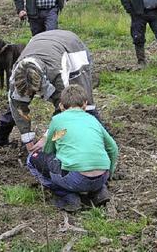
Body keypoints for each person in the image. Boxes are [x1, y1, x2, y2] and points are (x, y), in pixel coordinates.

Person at [0, 30, 102, 151]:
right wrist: (26, 137)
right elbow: (16, 104)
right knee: (16, 103)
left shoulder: (58, 74)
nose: (31, 96)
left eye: (32, 92)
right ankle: (1, 136)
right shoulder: (17, 72)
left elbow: (64, 108)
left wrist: (47, 138)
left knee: (80, 99)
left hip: (71, 46)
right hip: (41, 42)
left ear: (42, 83)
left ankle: (98, 135)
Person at [27, 84, 118, 212]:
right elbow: (113, 148)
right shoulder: (93, 120)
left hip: (75, 179)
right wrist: (110, 174)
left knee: (32, 158)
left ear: (61, 106)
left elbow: (48, 151)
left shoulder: (57, 120)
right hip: (101, 176)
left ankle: (67, 195)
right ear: (85, 105)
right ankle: (100, 190)